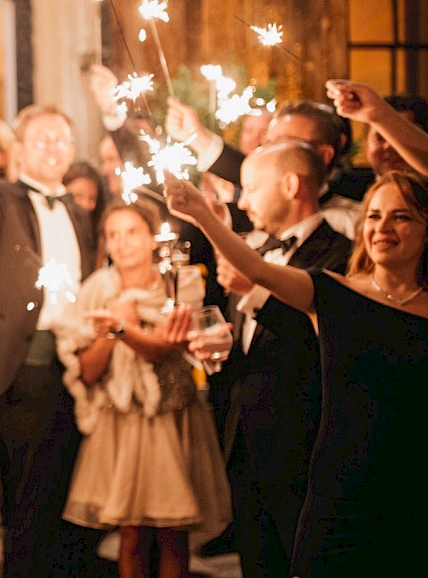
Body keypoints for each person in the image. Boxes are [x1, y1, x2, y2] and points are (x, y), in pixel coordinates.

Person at [168, 170, 428, 576]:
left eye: (401, 217)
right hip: (341, 491)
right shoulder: (335, 293)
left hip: (413, 486)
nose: (382, 227)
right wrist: (202, 214)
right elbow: (256, 267)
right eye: (374, 216)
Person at [0, 104, 100, 577]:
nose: (54, 149)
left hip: (77, 366)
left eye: (62, 141)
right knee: (27, 495)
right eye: (42, 140)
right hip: (21, 367)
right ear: (19, 150)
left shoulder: (78, 210)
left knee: (66, 492)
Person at [56, 202, 231, 578]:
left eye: (132, 232)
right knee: (131, 535)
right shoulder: (95, 290)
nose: (122, 243)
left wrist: (122, 328)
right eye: (113, 235)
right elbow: (87, 371)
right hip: (122, 424)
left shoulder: (178, 283)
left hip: (171, 416)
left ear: (153, 238)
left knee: (173, 534)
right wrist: (109, 332)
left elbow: (164, 348)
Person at [211, 141, 353, 578]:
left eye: (252, 187)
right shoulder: (254, 249)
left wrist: (253, 289)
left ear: (291, 185)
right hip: (248, 441)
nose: (243, 199)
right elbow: (255, 345)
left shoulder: (341, 253)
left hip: (304, 442)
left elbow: (322, 339)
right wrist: (220, 346)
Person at [166, 98, 371, 239]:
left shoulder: (354, 220)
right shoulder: (258, 211)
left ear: (324, 155)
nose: (267, 152)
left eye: (284, 143)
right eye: (269, 142)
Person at [326, 80, 428, 176]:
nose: (389, 146)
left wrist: (379, 114)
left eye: (403, 135)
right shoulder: (345, 187)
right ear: (366, 142)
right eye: (380, 137)